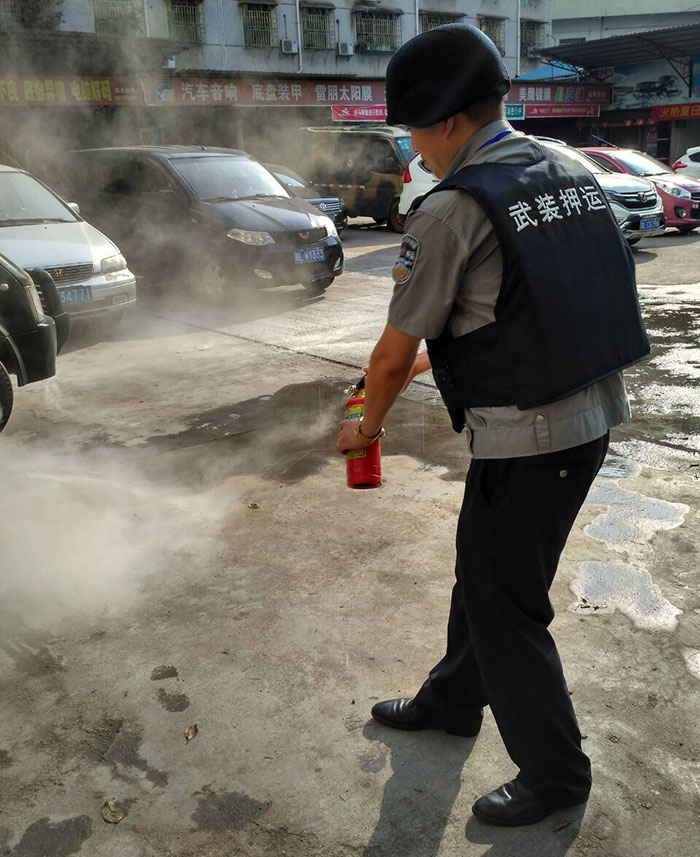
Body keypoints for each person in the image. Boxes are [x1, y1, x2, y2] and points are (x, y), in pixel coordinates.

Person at [336, 23, 649, 827]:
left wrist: (364, 425)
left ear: (447, 121)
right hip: (585, 413)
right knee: (485, 573)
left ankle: (556, 774)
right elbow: (535, 295)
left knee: (506, 601)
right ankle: (453, 698)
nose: (416, 150)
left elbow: (389, 357)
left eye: (416, 131)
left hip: (530, 434)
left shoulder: (452, 210)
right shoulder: (564, 168)